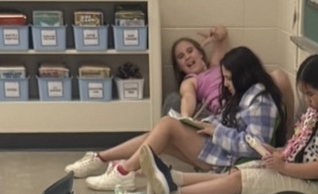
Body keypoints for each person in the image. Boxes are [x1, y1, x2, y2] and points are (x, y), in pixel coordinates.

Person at [64, 28, 295, 181]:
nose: (187, 57)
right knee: (160, 135)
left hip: (228, 150)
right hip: (218, 134)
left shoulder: (224, 69)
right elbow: (188, 99)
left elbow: (254, 142)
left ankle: (122, 171)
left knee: (164, 128)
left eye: (190, 51)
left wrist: (216, 36)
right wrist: (189, 120)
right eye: (181, 57)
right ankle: (105, 161)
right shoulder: (192, 81)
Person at [137, 54, 318, 194]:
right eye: (304, 95)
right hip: (293, 167)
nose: (307, 101)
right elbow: (300, 146)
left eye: (310, 94)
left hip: (312, 185)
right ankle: (173, 178)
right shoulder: (317, 110)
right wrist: (278, 152)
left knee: (237, 181)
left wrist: (284, 166)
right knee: (235, 172)